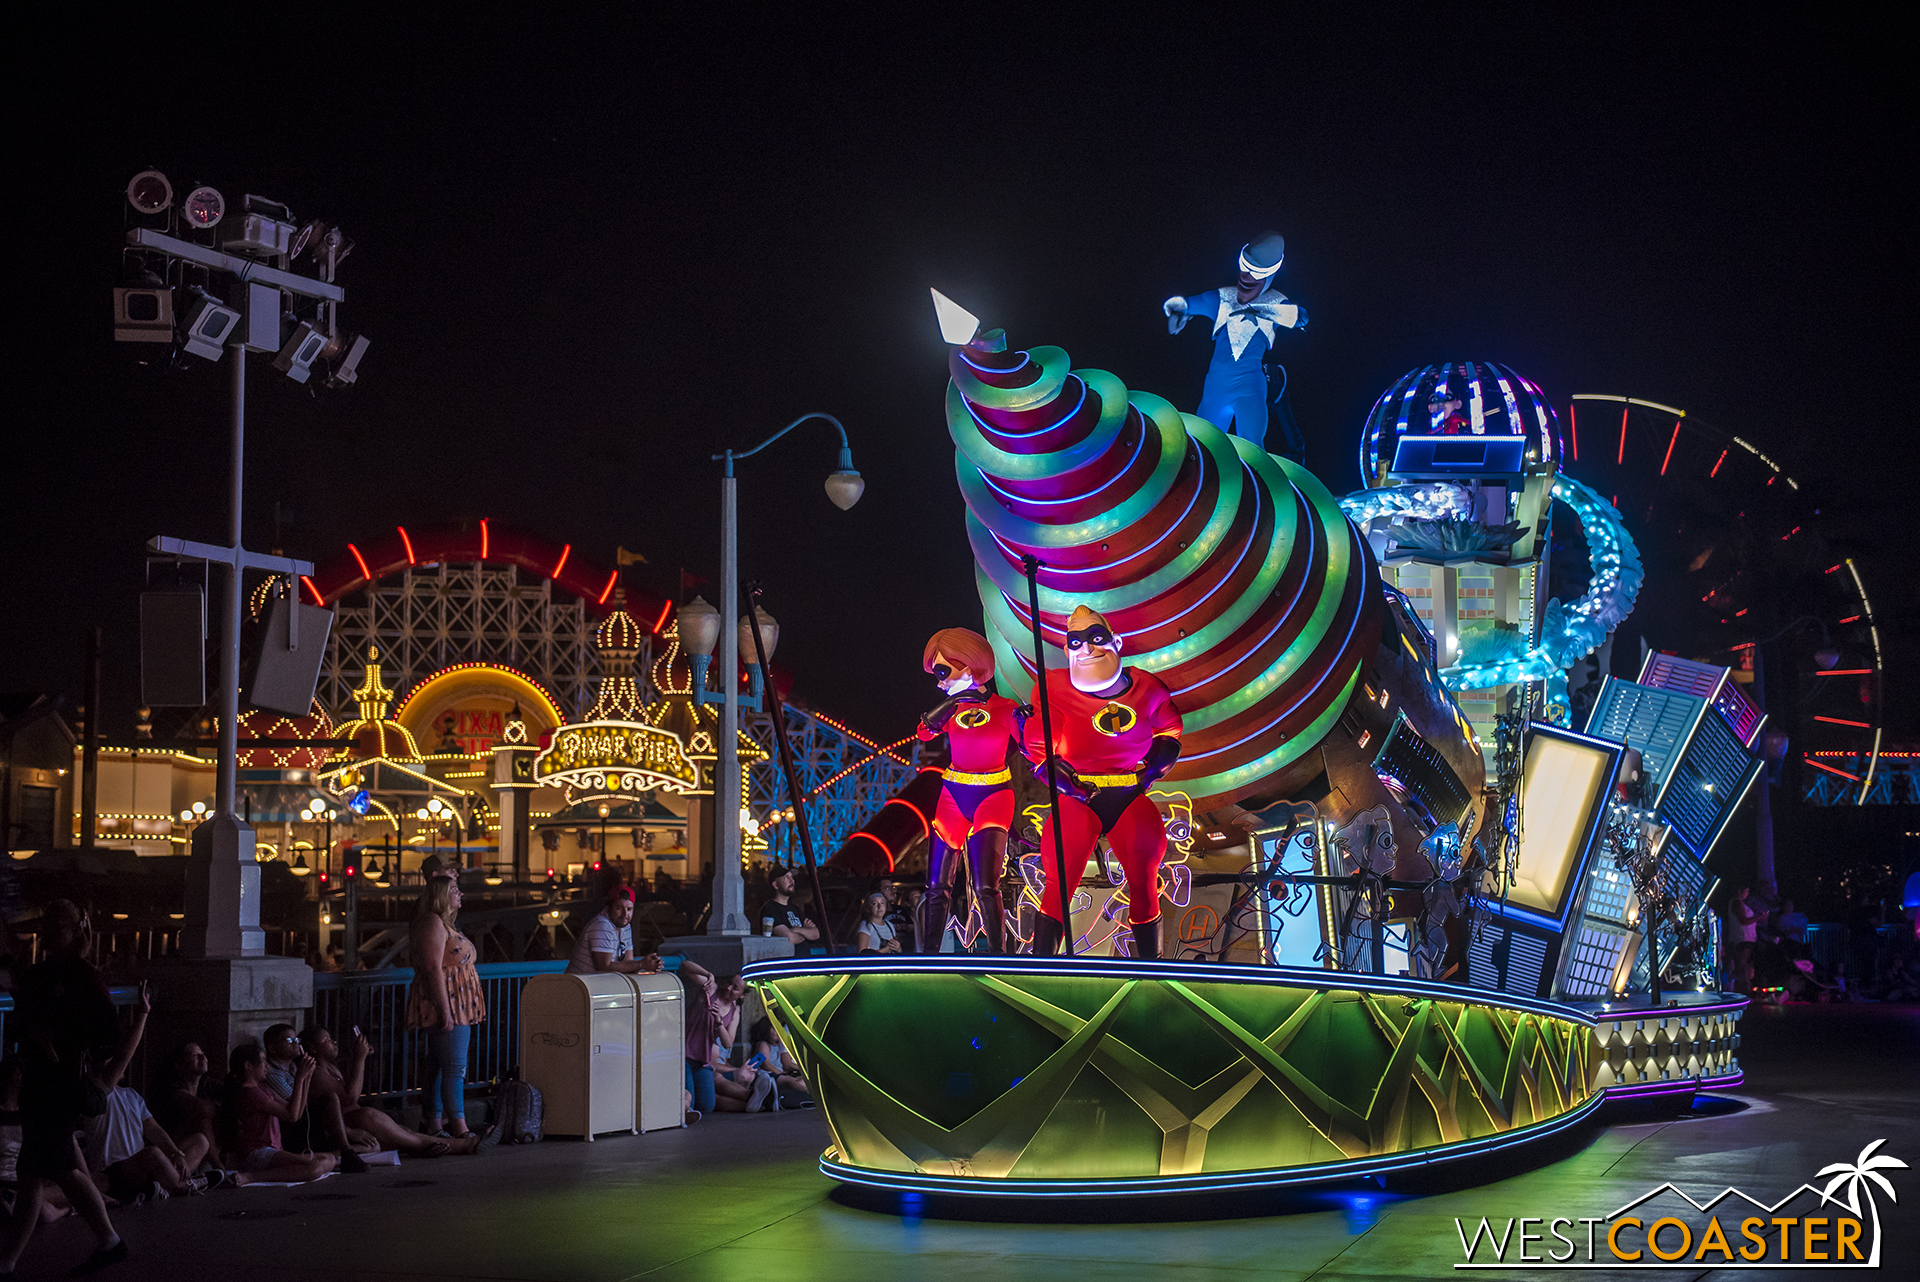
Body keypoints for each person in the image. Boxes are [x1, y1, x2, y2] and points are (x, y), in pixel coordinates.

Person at [1022, 605, 1183, 959]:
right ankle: (1043, 965)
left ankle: (1151, 968)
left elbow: (1170, 730)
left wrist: (1150, 771)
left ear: (1116, 642)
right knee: (1059, 880)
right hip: (1081, 794)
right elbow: (1039, 748)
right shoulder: (1054, 689)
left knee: (1144, 875)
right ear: (1066, 651)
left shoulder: (1147, 688)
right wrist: (1059, 777)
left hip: (1127, 790)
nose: (1087, 649)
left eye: (1096, 639)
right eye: (1076, 642)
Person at [0, 900, 127, 1276]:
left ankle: (109, 1239)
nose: (52, 931)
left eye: (59, 924)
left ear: (75, 930)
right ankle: (8, 1261)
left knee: (52, 1168)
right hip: (42, 1080)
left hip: (58, 1082)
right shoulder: (47, 974)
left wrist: (58, 1038)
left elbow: (107, 1031)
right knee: (35, 1172)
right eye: (49, 923)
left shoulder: (82, 976)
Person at [915, 627, 1025, 953]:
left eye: (943, 671)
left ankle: (998, 957)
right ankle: (930, 956)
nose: (939, 681)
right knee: (936, 886)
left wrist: (1027, 723)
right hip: (952, 795)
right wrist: (954, 702)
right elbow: (923, 733)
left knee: (986, 885)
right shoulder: (950, 710)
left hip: (993, 796)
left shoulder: (1004, 708)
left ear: (970, 665)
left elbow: (1034, 749)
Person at [1161, 231, 1308, 460]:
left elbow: (1301, 317)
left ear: (1269, 275)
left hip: (1249, 387)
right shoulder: (1223, 299)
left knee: (1252, 450)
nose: (1246, 276)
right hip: (1215, 388)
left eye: (1256, 271)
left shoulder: (1275, 302)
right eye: (1244, 266)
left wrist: (1276, 313)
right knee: (1199, 447)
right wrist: (1179, 309)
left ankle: (1253, 492)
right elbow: (1188, 303)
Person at [84, 985, 219, 1203]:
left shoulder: (131, 1095)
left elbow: (153, 1129)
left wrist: (175, 1153)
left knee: (200, 1141)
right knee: (153, 1154)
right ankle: (180, 1186)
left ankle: (163, 1186)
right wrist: (142, 1015)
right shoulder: (95, 1092)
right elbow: (123, 1056)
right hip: (115, 1169)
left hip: (143, 1165)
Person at [296, 1026, 479, 1157]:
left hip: (357, 1118)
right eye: (327, 1040)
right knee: (411, 1138)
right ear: (313, 1048)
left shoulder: (330, 1068)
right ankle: (464, 1145)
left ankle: (435, 1147)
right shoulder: (316, 1073)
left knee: (407, 1133)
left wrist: (356, 1056)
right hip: (349, 1124)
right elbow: (350, 1098)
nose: (333, 1042)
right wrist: (360, 1060)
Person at [406, 875, 487, 1140]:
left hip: (456, 1001)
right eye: (454, 889)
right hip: (449, 1001)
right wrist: (445, 1010)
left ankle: (435, 1123)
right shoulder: (433, 922)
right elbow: (432, 967)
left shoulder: (444, 924)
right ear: (441, 895)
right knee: (454, 1066)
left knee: (439, 1065)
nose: (460, 893)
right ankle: (459, 1127)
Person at [223, 1044, 337, 1184]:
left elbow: (297, 1112)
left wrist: (306, 1078)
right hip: (258, 1153)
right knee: (314, 1168)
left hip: (273, 1151)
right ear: (248, 1065)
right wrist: (300, 1078)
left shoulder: (263, 1088)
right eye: (263, 1061)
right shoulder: (249, 1092)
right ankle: (250, 1177)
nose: (267, 1066)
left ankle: (276, 1172)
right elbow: (291, 1115)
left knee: (329, 1159)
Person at [0, 1057, 72, 1228]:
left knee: (72, 1190)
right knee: (41, 1213)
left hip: (27, 1182)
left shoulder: (31, 1114)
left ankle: (70, 1208)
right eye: (15, 1077)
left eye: (21, 1077)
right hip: (4, 1184)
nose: (18, 1081)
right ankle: (65, 1210)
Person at [566, 887, 665, 976]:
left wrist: (651, 964)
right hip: (577, 987)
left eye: (629, 909)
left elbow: (628, 964)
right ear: (609, 908)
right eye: (618, 908)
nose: (624, 914)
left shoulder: (625, 927)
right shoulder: (601, 925)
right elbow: (604, 967)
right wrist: (641, 964)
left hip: (596, 986)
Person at [151, 1043, 222, 1160]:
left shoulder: (206, 1083)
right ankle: (218, 1168)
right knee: (202, 1120)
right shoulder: (169, 1087)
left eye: (203, 1054)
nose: (202, 1058)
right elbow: (202, 1109)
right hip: (171, 1146)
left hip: (197, 1145)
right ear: (179, 1065)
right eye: (195, 1055)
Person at [748, 1018, 809, 1107]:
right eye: (774, 1028)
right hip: (768, 1076)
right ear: (765, 1030)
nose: (778, 1030)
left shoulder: (776, 1046)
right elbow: (765, 1064)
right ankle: (810, 1095)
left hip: (779, 1075)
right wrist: (781, 1074)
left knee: (801, 1080)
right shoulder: (764, 1045)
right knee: (791, 1081)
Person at [760, 867, 819, 948]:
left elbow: (816, 934)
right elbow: (789, 939)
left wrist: (797, 930)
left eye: (791, 877)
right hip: (788, 959)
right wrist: (806, 932)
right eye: (786, 877)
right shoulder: (770, 909)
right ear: (776, 885)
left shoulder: (795, 908)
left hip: (803, 959)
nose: (792, 880)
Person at [1729, 886, 1758, 994]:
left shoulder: (1743, 904)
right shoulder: (1737, 903)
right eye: (1746, 890)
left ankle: (1746, 989)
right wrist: (1758, 917)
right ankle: (1744, 991)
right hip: (1742, 938)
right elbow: (1743, 920)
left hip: (1748, 938)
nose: (1747, 893)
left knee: (1746, 966)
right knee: (1742, 967)